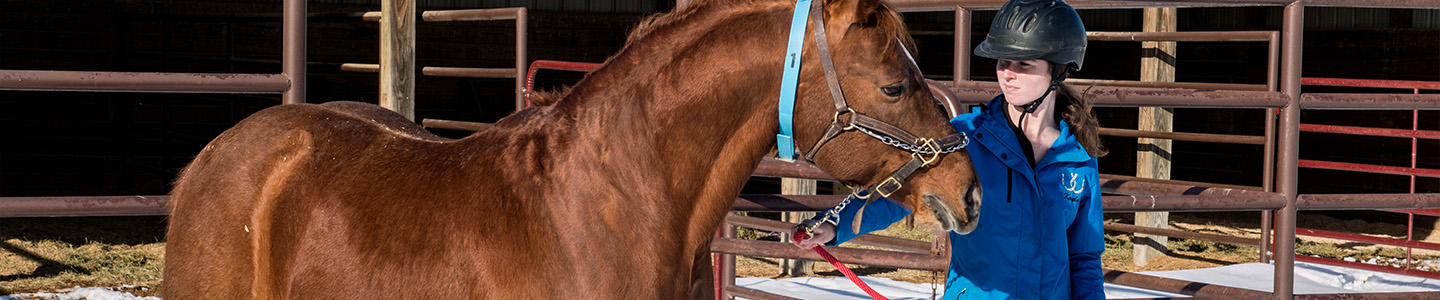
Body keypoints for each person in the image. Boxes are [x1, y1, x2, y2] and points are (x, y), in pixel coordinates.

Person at [790, 0, 1108, 299]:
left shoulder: (1078, 158)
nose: (1007, 73)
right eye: (1003, 61)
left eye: (1023, 64)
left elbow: (1084, 256)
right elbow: (898, 194)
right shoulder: (965, 137)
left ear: (1059, 70)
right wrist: (834, 225)